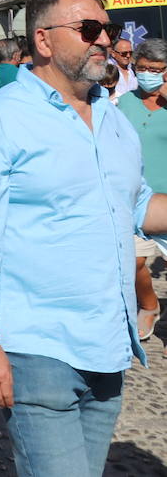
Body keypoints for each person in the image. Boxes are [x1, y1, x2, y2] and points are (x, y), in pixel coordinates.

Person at [0, 0, 167, 477]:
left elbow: (136, 206)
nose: (104, 39)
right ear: (42, 39)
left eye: (106, 29)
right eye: (88, 28)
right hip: (37, 347)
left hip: (108, 343)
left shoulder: (113, 120)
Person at [115, 38, 167, 347]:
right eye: (141, 68)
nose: (147, 73)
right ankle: (149, 304)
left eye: (155, 69)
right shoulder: (126, 101)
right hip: (137, 199)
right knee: (132, 262)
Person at [110, 32, 139, 100]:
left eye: (130, 53)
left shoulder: (135, 69)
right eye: (124, 53)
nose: (128, 56)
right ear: (113, 53)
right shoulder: (106, 70)